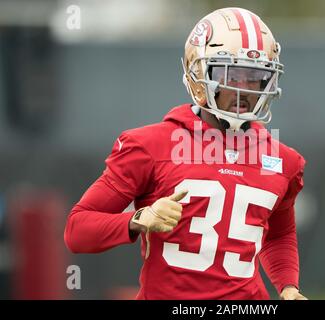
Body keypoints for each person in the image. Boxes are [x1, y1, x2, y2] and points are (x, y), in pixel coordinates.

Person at [64, 7, 307, 300]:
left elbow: (279, 234)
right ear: (198, 73)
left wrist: (288, 286)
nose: (243, 89)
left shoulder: (283, 160)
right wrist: (138, 218)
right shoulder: (150, 146)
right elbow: (77, 229)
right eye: (231, 73)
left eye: (254, 76)